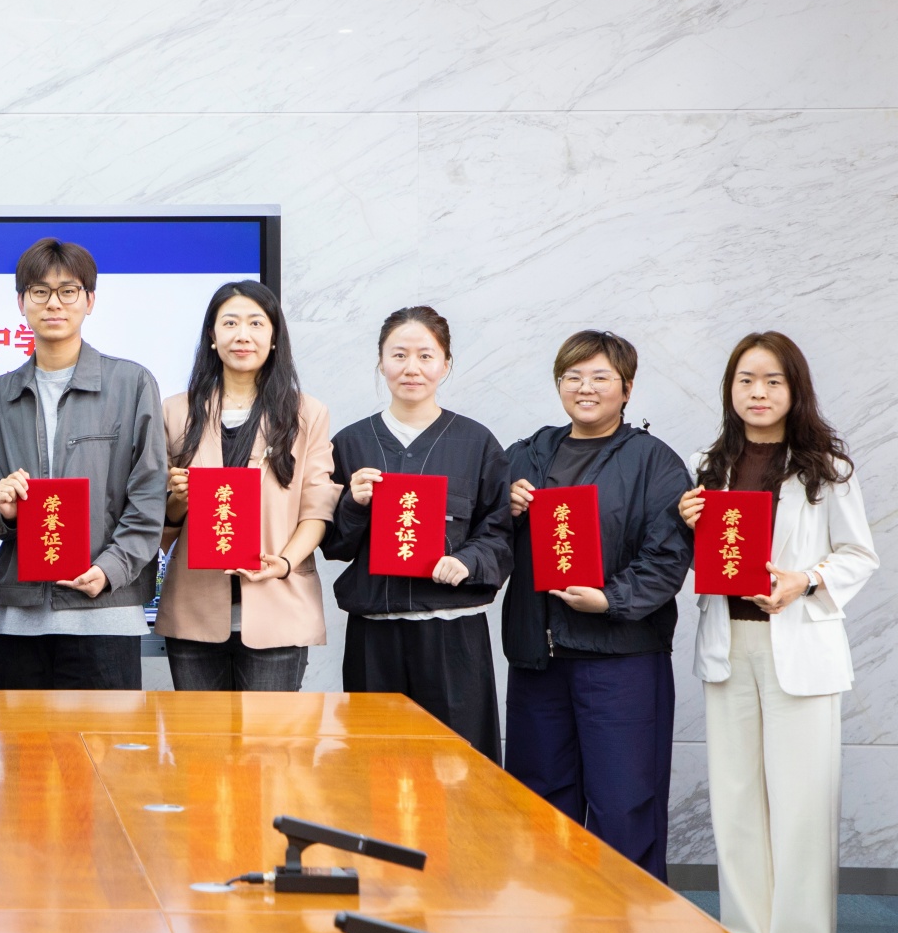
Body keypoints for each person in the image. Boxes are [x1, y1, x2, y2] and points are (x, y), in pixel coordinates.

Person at [679, 332, 877, 933]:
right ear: (730, 390)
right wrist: (687, 522)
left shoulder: (827, 467)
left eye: (772, 381)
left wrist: (805, 580)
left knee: (801, 802)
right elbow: (701, 559)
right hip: (728, 645)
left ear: (795, 390)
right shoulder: (708, 465)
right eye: (745, 380)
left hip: (798, 645)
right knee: (736, 800)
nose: (757, 393)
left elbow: (859, 555)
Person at [500, 330, 692, 880]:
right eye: (573, 376)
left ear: (627, 389)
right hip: (539, 659)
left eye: (600, 377)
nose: (585, 388)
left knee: (624, 803)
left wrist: (609, 599)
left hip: (621, 660)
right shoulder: (527, 454)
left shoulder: (655, 462)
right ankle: (549, 921)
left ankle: (628, 923)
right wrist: (505, 509)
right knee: (539, 804)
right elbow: (485, 542)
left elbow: (667, 557)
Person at [0, 238, 166, 690]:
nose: (53, 303)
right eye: (39, 291)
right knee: (23, 739)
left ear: (89, 300)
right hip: (21, 619)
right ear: (21, 302)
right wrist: (3, 509)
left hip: (106, 613)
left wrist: (111, 569)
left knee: (109, 739)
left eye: (68, 291)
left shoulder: (131, 383)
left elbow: (149, 494)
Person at [320, 306, 511, 762]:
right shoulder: (350, 443)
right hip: (375, 635)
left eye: (426, 356)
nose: (412, 368)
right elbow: (333, 545)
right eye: (399, 354)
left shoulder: (477, 442)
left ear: (446, 364)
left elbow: (501, 529)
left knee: (458, 766)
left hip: (453, 632)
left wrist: (468, 560)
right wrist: (353, 504)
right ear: (380, 362)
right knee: (375, 764)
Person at [155, 281, 340, 691]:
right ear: (212, 335)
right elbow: (163, 519)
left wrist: (285, 562)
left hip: (279, 603)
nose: (243, 335)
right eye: (230, 323)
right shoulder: (175, 411)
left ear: (274, 337)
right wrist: (178, 499)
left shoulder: (306, 413)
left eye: (256, 323)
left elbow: (317, 508)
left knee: (271, 734)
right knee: (200, 733)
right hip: (195, 609)